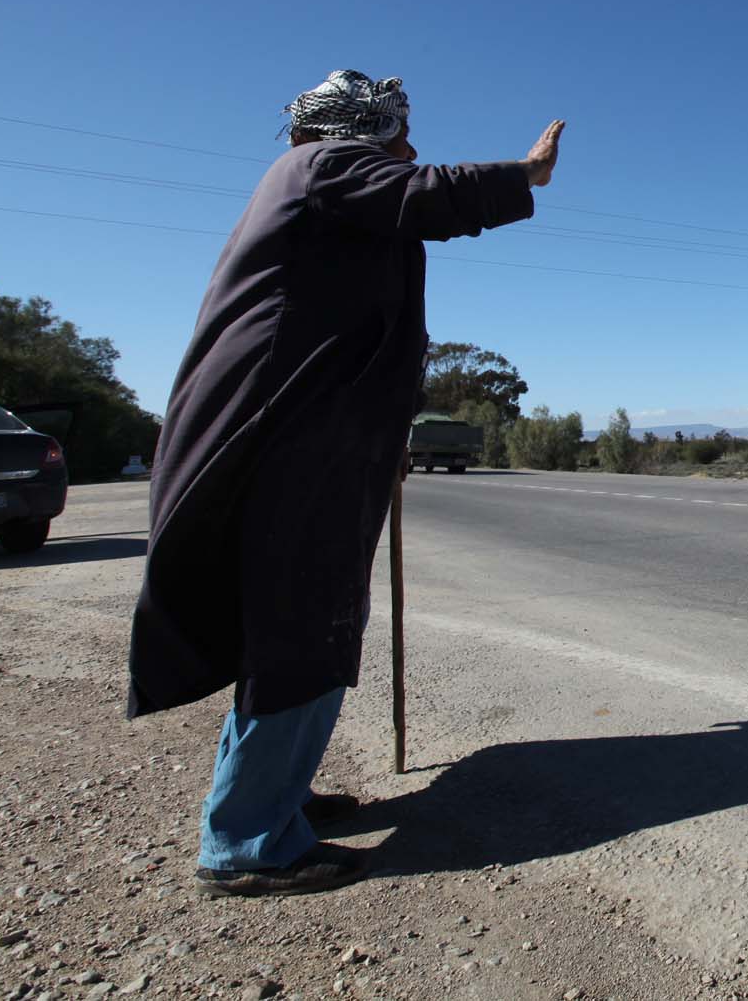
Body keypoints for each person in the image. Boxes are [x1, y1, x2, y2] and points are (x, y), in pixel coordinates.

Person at [125, 70, 564, 897]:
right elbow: (427, 197)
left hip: (307, 441)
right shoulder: (322, 167)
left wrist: (384, 431)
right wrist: (521, 175)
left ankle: (268, 800)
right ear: (358, 133)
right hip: (289, 448)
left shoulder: (325, 191)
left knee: (295, 627)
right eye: (398, 135)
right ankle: (248, 840)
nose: (410, 149)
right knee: (303, 625)